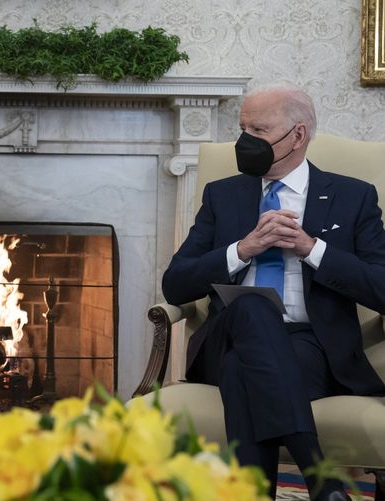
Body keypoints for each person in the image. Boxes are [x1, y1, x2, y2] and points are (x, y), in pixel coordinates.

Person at [162, 83, 385, 501]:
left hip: (310, 346)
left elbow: (382, 288)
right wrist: (242, 250)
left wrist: (311, 249)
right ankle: (319, 475)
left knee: (242, 372)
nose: (245, 141)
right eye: (242, 128)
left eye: (258, 130)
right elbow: (174, 285)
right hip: (226, 333)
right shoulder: (223, 195)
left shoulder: (353, 197)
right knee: (249, 310)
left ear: (297, 136)